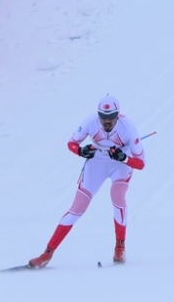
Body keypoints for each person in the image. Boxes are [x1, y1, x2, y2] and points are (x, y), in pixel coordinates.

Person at [29, 95, 146, 268]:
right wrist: (81, 151)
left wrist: (124, 158)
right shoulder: (90, 122)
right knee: (77, 208)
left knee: (117, 196)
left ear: (118, 115)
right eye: (103, 117)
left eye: (111, 117)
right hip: (97, 164)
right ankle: (47, 254)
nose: (107, 122)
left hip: (119, 166)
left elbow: (141, 163)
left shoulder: (128, 128)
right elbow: (71, 143)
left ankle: (120, 247)